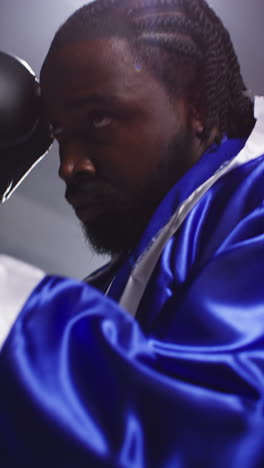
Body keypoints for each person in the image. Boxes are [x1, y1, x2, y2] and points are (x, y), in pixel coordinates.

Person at [1, 0, 264, 466]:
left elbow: (219, 435)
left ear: (197, 108)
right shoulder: (118, 285)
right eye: (59, 133)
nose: (67, 165)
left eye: (99, 119)